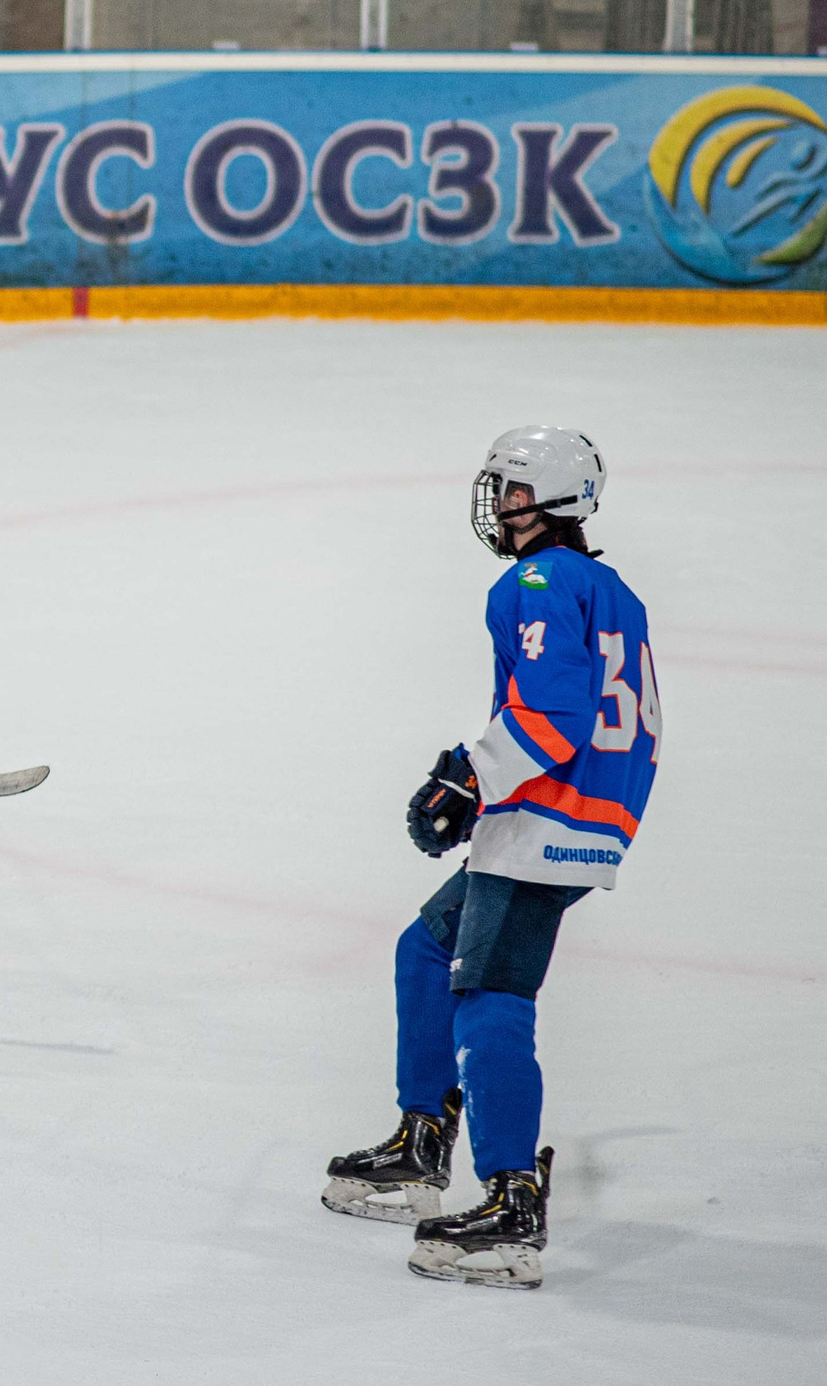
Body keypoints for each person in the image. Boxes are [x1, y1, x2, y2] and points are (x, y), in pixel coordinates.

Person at [320, 427, 660, 1289]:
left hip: (546, 817)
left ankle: (510, 1202)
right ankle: (421, 1141)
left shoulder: (538, 581)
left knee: (489, 991)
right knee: (427, 950)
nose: (497, 504)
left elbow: (552, 712)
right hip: (573, 813)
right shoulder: (609, 587)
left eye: (510, 489)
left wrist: (469, 778)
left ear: (543, 500)